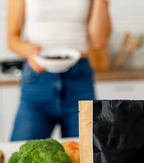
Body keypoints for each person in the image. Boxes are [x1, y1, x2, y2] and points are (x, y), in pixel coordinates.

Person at [7, 0, 111, 141]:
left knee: (87, 156)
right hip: (37, 80)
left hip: (79, 80)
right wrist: (30, 51)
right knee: (20, 151)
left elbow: (99, 41)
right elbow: (12, 38)